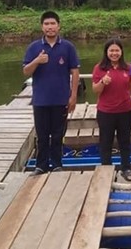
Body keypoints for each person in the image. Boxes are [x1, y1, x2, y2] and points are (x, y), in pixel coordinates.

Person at [23, 11, 79, 175]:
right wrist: (37, 61)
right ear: (42, 27)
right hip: (41, 100)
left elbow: (75, 71)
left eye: (52, 24)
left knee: (57, 135)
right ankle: (40, 165)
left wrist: (73, 95)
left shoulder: (68, 47)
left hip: (61, 99)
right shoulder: (34, 47)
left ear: (58, 25)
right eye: (46, 24)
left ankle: (56, 164)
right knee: (42, 135)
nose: (50, 27)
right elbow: (26, 71)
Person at [92, 38, 131, 181]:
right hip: (106, 112)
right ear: (106, 52)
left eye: (117, 50)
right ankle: (106, 169)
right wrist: (102, 82)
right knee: (106, 142)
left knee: (125, 141)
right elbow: (95, 90)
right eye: (111, 50)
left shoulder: (128, 68)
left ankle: (126, 168)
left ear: (121, 52)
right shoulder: (100, 68)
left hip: (125, 110)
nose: (114, 53)